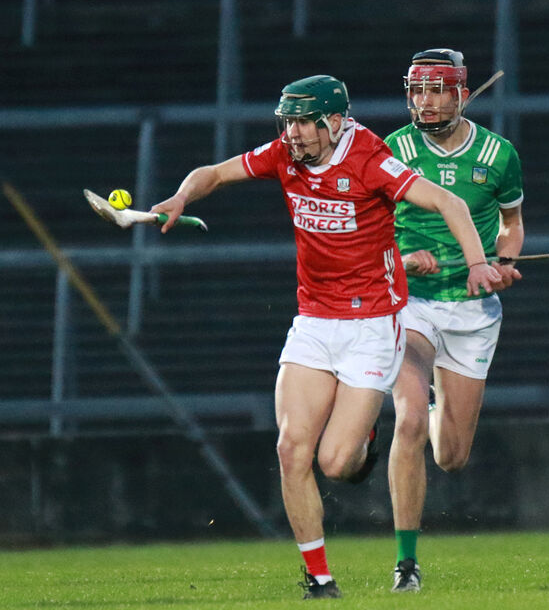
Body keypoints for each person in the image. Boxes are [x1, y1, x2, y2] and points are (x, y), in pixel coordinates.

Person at [151, 74, 501, 599]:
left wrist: (477, 262)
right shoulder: (284, 155)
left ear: (334, 122)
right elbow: (215, 174)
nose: (293, 134)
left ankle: (362, 442)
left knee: (336, 464)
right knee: (292, 449)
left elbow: (449, 203)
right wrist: (181, 196)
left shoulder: (369, 157)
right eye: (288, 122)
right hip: (313, 322)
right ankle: (319, 579)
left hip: (371, 327)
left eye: (304, 123)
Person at [384, 49, 525, 592]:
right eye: (418, 90)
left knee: (451, 457)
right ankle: (406, 565)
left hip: (472, 315)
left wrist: (502, 263)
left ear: (462, 93)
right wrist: (401, 258)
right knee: (411, 421)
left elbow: (512, 224)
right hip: (410, 304)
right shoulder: (391, 150)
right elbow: (368, 234)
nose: (426, 101)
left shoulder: (499, 153)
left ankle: (431, 399)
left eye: (438, 89)